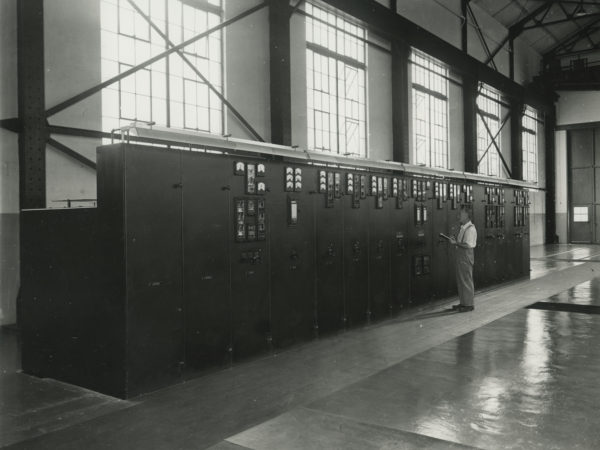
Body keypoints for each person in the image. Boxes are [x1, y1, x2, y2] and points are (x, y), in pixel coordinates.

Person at [449, 207, 477, 312]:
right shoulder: (464, 228)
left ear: (467, 215)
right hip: (461, 256)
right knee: (461, 280)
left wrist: (455, 243)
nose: (459, 215)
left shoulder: (470, 229)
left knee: (466, 280)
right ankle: (463, 303)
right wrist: (455, 241)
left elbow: (467, 245)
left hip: (465, 257)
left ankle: (469, 304)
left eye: (461, 213)